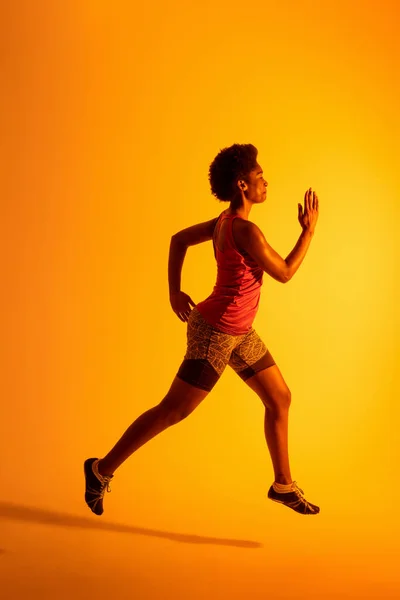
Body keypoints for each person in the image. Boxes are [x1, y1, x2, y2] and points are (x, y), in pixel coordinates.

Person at [84, 143, 320, 516]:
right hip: (215, 333)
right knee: (173, 410)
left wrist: (174, 291)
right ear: (242, 184)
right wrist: (308, 232)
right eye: (260, 176)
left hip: (239, 332)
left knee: (280, 398)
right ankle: (100, 470)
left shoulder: (222, 222)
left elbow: (177, 240)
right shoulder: (245, 230)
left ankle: (283, 485)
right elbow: (285, 273)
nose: (265, 182)